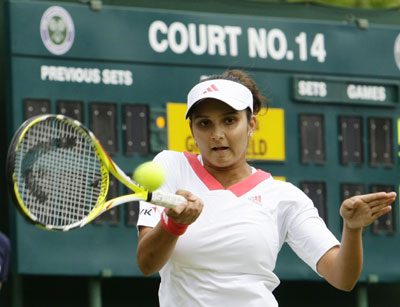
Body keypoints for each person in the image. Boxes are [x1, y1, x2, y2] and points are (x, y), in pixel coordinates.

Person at [136, 69, 396, 307]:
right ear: (192, 129)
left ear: (251, 124)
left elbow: (342, 277)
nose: (217, 134)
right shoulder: (169, 166)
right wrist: (174, 224)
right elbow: (147, 263)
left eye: (229, 121)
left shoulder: (285, 198)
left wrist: (352, 229)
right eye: (205, 123)